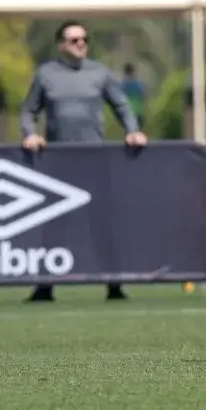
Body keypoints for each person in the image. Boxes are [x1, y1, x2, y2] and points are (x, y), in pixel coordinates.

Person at [20, 21, 147, 303]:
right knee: (53, 227)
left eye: (84, 39)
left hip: (94, 161)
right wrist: (30, 135)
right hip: (58, 163)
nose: (80, 44)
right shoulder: (46, 74)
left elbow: (122, 105)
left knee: (102, 225)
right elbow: (29, 111)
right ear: (61, 45)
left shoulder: (99, 73)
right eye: (74, 40)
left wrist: (133, 130)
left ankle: (114, 286)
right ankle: (45, 287)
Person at [121, 64, 147, 129]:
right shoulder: (139, 84)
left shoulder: (123, 85)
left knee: (130, 135)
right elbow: (145, 95)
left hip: (132, 113)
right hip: (135, 112)